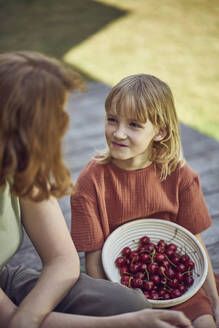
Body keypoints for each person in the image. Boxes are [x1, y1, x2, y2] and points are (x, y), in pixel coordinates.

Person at [0, 52, 192, 328]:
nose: (60, 127)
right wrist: (127, 324)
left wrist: (29, 315)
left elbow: (62, 260)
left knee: (129, 303)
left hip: (4, 277)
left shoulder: (21, 162)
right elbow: (7, 321)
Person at [70, 73, 219, 328]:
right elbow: (93, 259)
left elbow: (194, 242)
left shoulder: (181, 176)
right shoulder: (90, 182)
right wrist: (114, 308)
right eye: (112, 120)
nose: (118, 133)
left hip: (177, 284)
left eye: (134, 125)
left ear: (160, 132)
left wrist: (214, 300)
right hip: (120, 287)